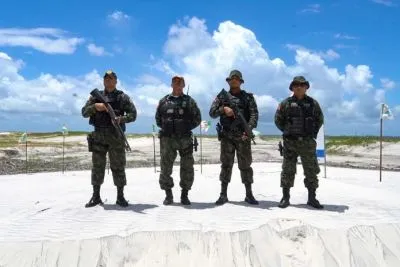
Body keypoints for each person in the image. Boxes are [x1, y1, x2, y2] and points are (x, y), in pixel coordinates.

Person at [81, 70, 137, 208]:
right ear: (103, 81)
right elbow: (84, 112)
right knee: (97, 167)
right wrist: (95, 107)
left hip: (116, 137)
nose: (109, 81)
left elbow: (133, 114)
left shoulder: (122, 97)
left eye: (111, 79)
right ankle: (96, 196)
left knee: (118, 167)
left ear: (116, 81)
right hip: (99, 136)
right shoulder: (95, 97)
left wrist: (120, 119)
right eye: (106, 79)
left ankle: (120, 196)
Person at [209, 70, 259, 205]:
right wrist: (223, 109)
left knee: (246, 166)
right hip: (227, 137)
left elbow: (254, 115)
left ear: (241, 81)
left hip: (243, 137)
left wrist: (248, 129)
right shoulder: (221, 97)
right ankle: (223, 195)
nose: (235, 80)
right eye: (232, 78)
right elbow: (212, 113)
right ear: (228, 81)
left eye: (237, 79)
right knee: (226, 165)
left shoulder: (248, 98)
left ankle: (249, 194)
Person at [274, 76, 324, 209]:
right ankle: (285, 197)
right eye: (296, 85)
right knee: (287, 170)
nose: (299, 87)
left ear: (306, 87)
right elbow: (278, 120)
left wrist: (312, 134)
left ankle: (312, 198)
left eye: (302, 85)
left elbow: (319, 119)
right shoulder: (285, 103)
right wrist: (287, 131)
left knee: (311, 170)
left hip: (307, 143)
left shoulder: (313, 103)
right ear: (292, 87)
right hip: (290, 143)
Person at [155, 76, 201, 205]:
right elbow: (158, 119)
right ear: (171, 84)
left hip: (185, 139)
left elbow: (197, 118)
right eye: (175, 82)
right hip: (167, 139)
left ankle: (184, 194)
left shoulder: (190, 101)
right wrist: (169, 128)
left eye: (180, 83)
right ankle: (168, 195)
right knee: (165, 167)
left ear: (183, 85)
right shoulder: (163, 101)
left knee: (187, 167)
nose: (177, 85)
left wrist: (185, 127)